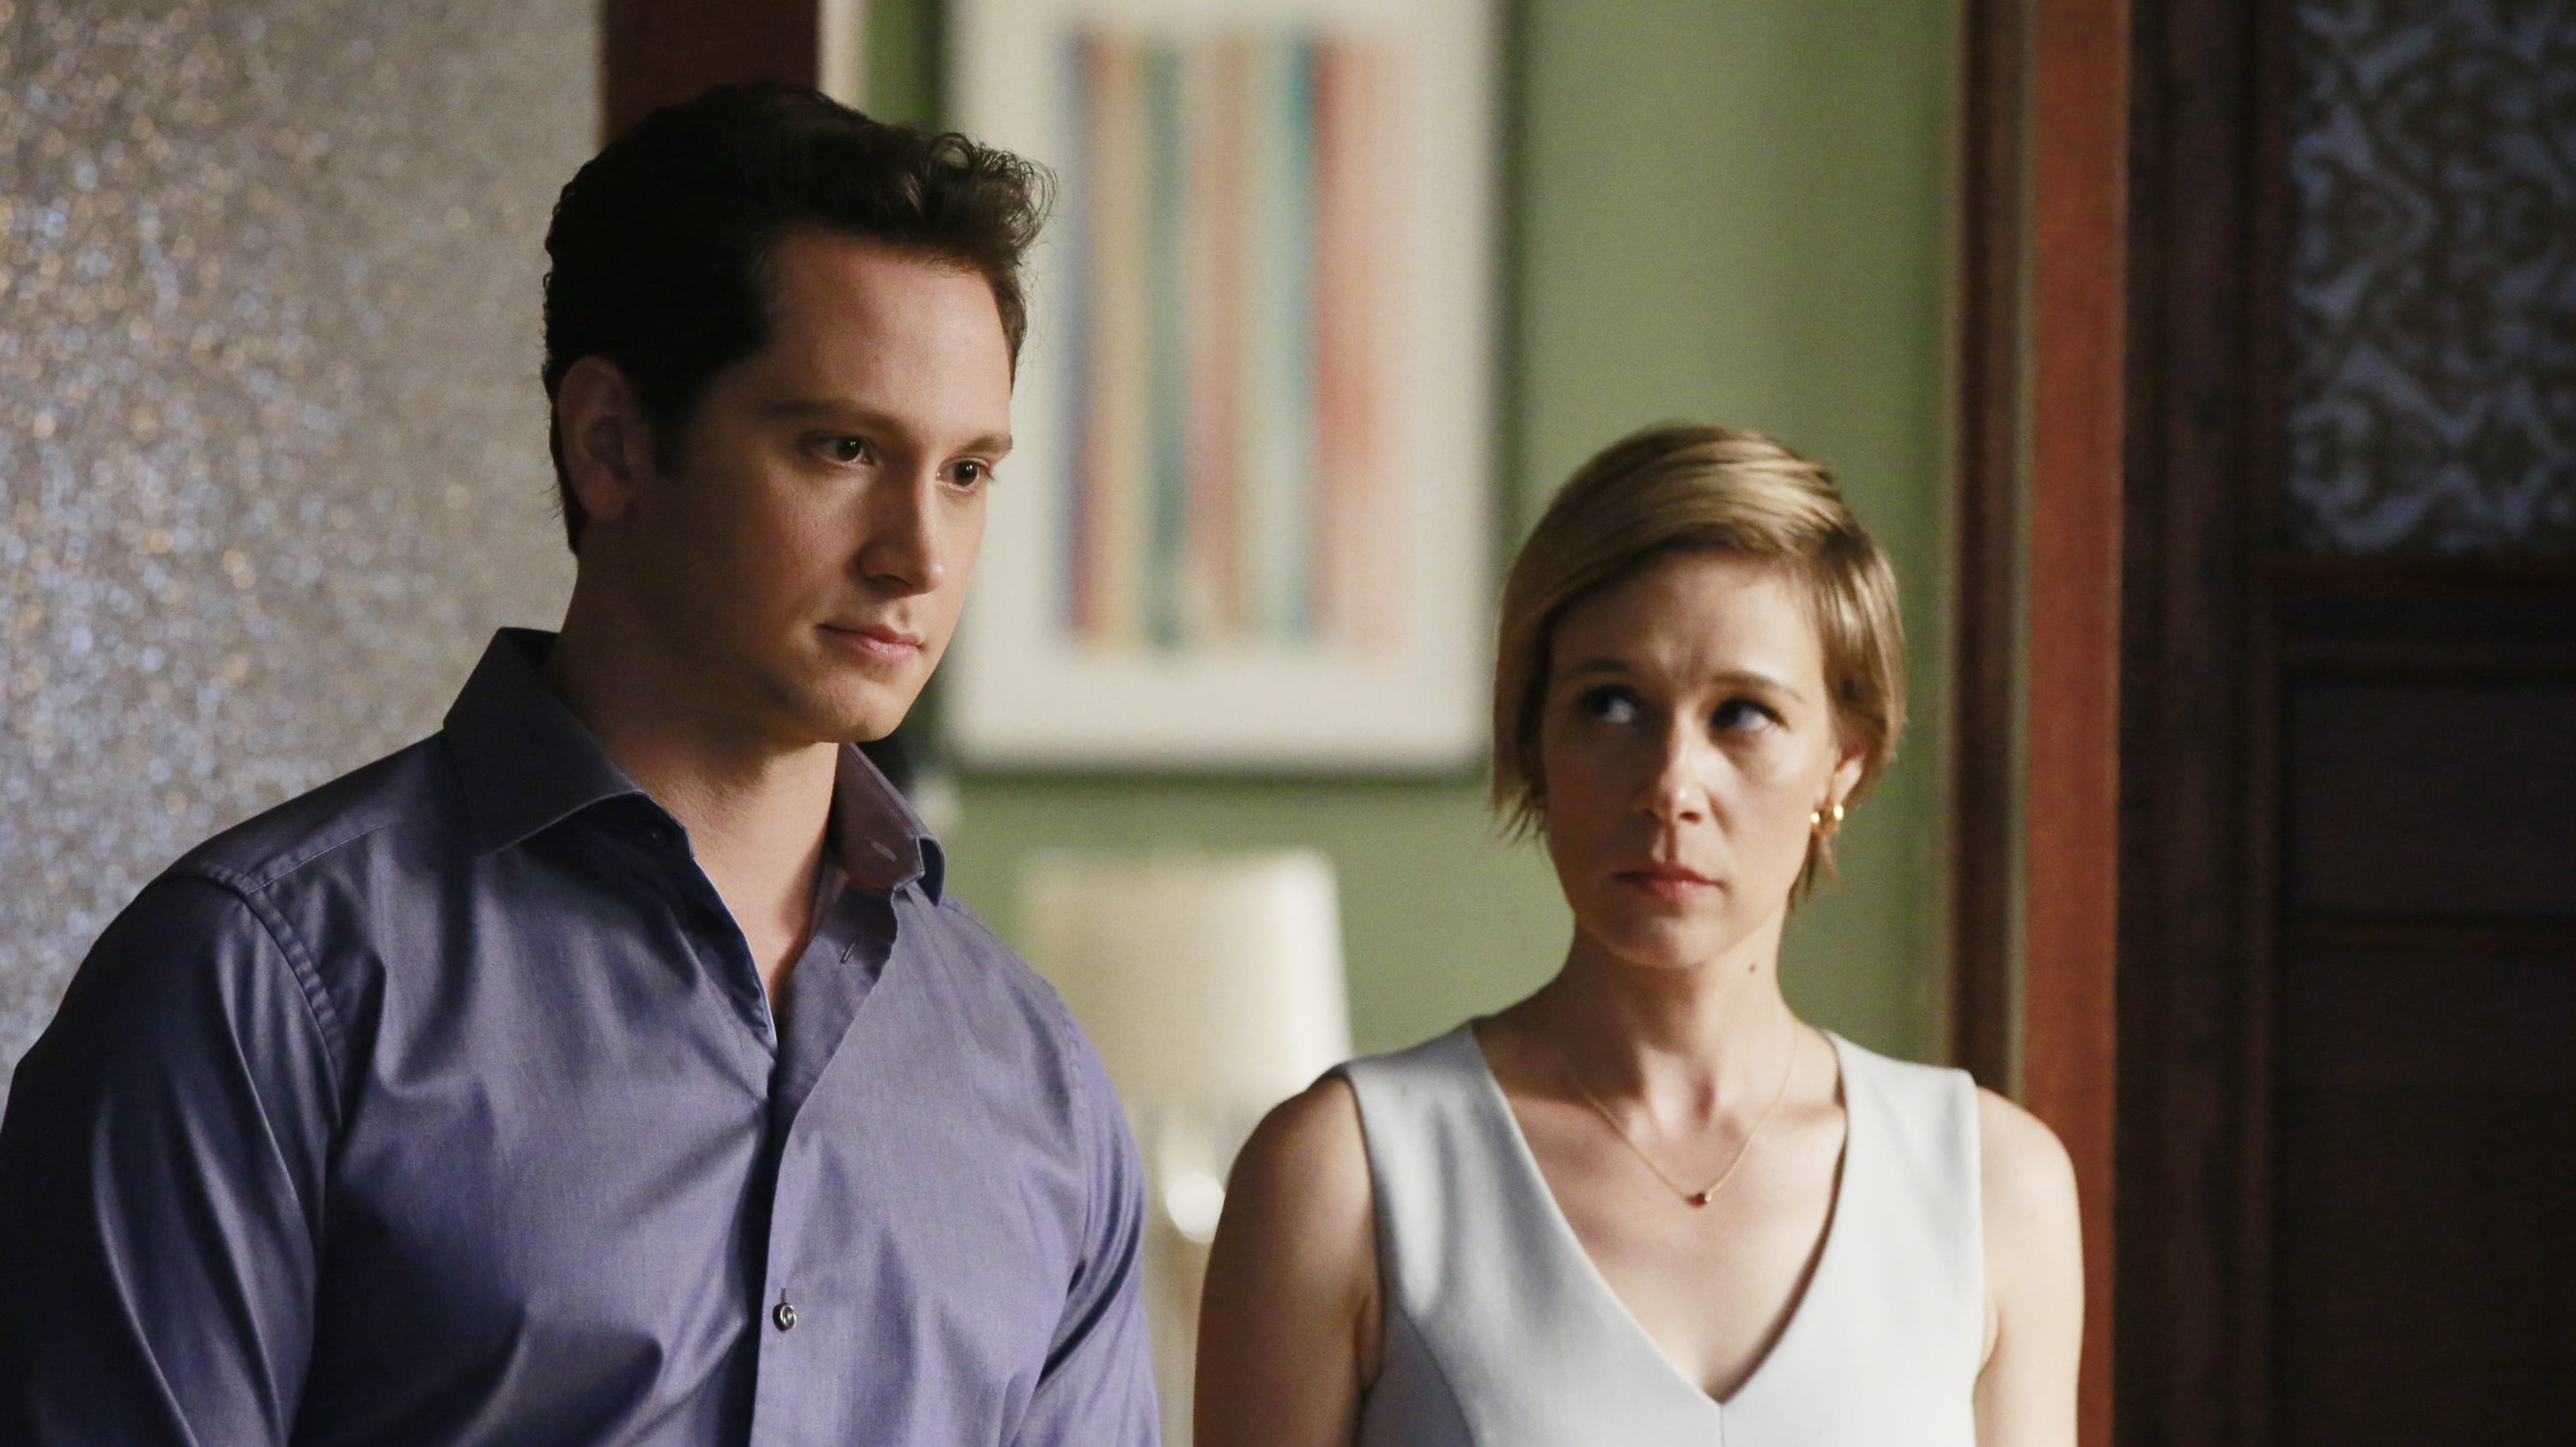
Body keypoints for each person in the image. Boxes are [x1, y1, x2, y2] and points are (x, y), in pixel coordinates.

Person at [0, 84, 1157, 1445]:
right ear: (610, 441)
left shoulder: (1034, 1076)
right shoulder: (254, 985)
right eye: (842, 448)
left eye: (966, 472)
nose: (918, 554)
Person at [1195, 425, 2082, 1446]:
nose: (1670, 784)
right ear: (1536, 736)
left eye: (1742, 713)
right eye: (1612, 704)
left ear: (1844, 758)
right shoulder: (1342, 1173)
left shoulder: (1992, 1185)